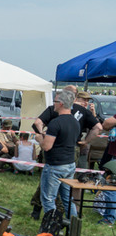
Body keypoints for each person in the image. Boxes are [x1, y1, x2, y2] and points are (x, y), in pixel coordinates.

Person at [36, 90, 80, 222]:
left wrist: (39, 138)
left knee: (48, 199)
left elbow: (46, 146)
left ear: (60, 103)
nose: (53, 104)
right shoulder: (75, 122)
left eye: (55, 101)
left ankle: (51, 228)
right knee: (68, 200)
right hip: (69, 164)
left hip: (55, 166)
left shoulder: (55, 123)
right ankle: (73, 228)